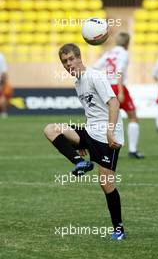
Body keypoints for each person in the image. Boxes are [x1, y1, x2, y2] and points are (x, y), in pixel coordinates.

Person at [44, 43, 126, 240]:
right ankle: (79, 162)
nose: (69, 64)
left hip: (108, 135)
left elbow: (114, 102)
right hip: (91, 131)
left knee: (106, 183)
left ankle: (119, 230)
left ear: (80, 58)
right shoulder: (78, 83)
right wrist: (80, 143)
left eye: (71, 59)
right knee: (50, 129)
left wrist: (110, 131)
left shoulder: (95, 76)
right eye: (65, 61)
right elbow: (92, 111)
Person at [94, 32, 144, 159]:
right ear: (127, 43)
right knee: (133, 117)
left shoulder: (108, 53)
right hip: (118, 86)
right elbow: (119, 72)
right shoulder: (124, 54)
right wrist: (121, 91)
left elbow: (95, 68)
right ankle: (132, 150)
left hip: (107, 87)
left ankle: (100, 149)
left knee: (107, 119)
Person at [0, 53, 12, 118]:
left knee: (3, 99)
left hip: (1, 83)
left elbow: (4, 73)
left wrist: (2, 85)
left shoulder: (1, 57)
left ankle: (4, 113)